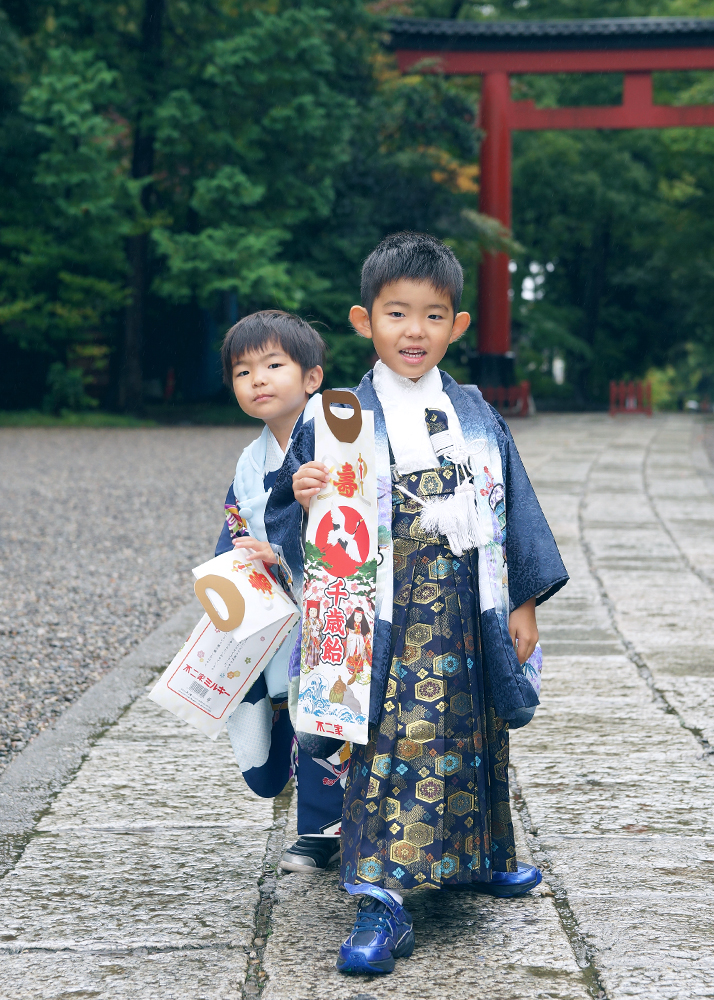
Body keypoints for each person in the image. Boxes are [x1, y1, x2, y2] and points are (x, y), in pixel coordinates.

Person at [265, 233, 568, 975]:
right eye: (396, 313)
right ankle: (382, 897)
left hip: (469, 606)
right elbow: (286, 512)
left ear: (456, 327)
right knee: (395, 743)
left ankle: (483, 856)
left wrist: (524, 600)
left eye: (434, 316)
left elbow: (512, 510)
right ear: (363, 321)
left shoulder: (471, 410)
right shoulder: (337, 414)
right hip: (383, 619)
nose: (415, 331)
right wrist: (301, 495)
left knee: (476, 729)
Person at [215, 309, 347, 875]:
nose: (258, 380)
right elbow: (236, 525)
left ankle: (321, 829)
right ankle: (322, 820)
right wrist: (233, 564)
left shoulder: (339, 436)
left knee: (325, 709)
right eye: (244, 372)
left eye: (273, 365)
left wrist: (285, 544)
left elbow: (352, 515)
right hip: (278, 608)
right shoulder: (252, 461)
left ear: (311, 378)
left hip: (332, 602)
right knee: (290, 712)